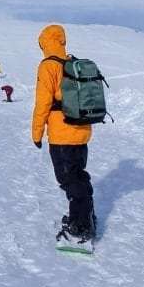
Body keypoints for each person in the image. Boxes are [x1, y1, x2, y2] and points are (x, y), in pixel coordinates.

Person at [31, 24, 96, 241]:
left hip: (62, 133)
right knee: (78, 174)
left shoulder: (48, 66)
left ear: (44, 42)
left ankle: (81, 225)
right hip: (81, 129)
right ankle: (84, 215)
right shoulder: (71, 63)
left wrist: (37, 133)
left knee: (68, 178)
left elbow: (43, 103)